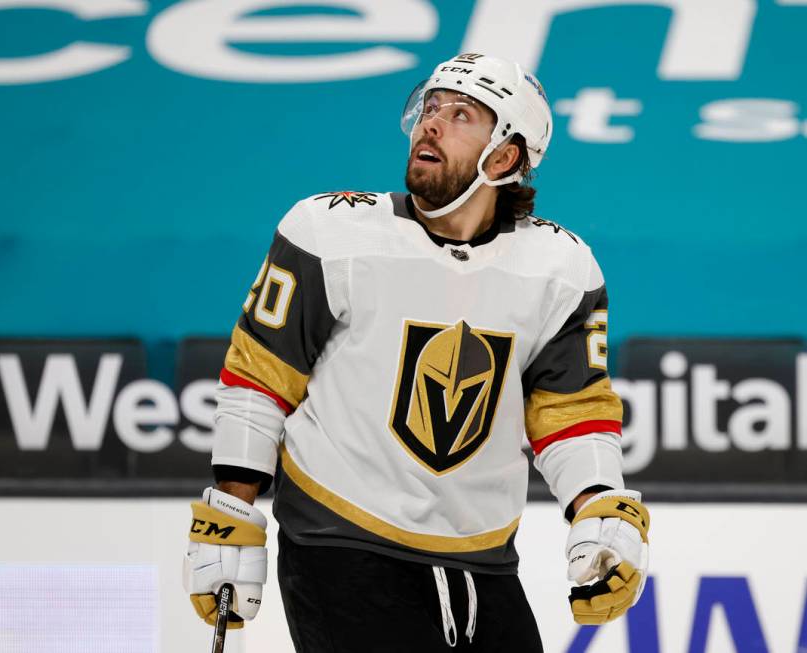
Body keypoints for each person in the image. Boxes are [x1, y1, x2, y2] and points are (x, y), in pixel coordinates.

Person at [183, 53, 650, 652]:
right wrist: (231, 513)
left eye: (461, 115)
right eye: (430, 107)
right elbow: (259, 380)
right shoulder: (329, 233)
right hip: (341, 546)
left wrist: (601, 507)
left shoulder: (560, 269)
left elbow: (571, 412)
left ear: (505, 156)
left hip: (484, 562)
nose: (432, 123)